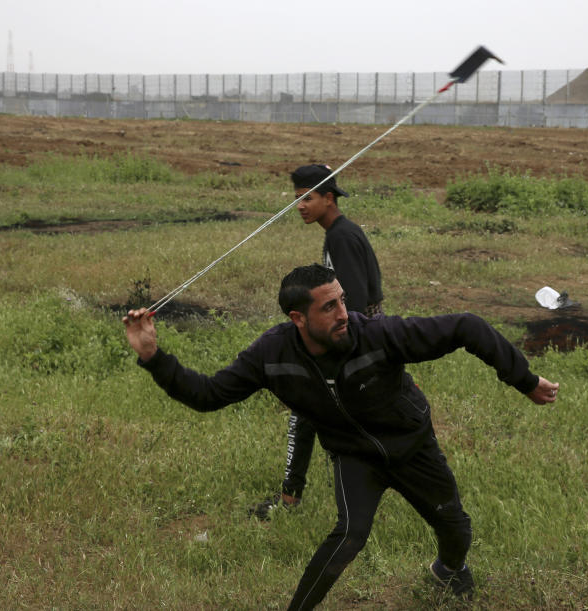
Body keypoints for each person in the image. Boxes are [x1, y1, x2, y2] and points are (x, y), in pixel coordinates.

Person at [123, 264, 559, 609]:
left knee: (456, 528)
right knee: (349, 534)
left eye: (342, 301)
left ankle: (449, 570)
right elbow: (208, 395)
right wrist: (152, 357)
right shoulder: (270, 356)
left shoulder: (379, 335)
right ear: (298, 318)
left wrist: (524, 380)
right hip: (355, 457)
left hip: (411, 446)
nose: (342, 314)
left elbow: (468, 326)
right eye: (328, 307)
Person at [249, 164, 385, 520]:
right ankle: (296, 497)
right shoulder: (341, 233)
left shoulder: (341, 237)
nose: (300, 206)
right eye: (296, 199)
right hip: (358, 342)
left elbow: (352, 302)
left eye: (307, 198)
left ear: (329, 198)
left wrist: (335, 350)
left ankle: (292, 500)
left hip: (351, 343)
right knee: (317, 416)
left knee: (307, 416)